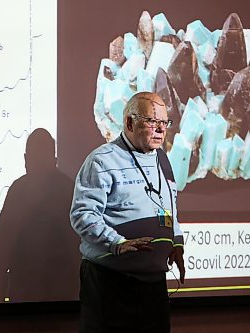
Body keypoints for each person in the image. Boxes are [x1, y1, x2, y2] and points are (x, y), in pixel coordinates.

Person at [70, 92, 185, 332]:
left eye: (164, 123)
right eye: (152, 121)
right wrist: (117, 243)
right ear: (130, 123)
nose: (161, 129)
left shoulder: (163, 160)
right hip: (110, 284)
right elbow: (82, 215)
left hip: (153, 287)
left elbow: (170, 208)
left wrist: (176, 243)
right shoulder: (101, 161)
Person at [0, 128, 80, 303]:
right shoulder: (69, 190)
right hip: (62, 303)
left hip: (33, 302)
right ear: (55, 160)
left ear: (25, 160)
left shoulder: (19, 191)